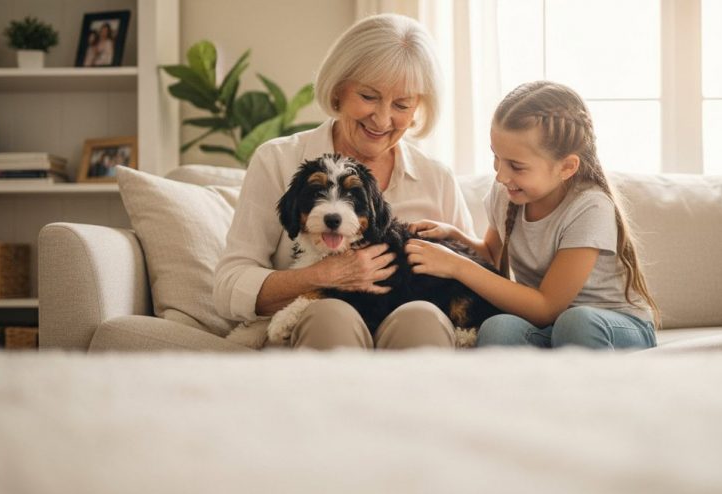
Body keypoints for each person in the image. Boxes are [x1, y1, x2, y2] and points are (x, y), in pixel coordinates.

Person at [213, 14, 475, 350]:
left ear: (417, 109)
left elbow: (470, 273)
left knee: (421, 316)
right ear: (338, 90)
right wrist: (323, 277)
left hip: (413, 325)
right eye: (368, 96)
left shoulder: (436, 178)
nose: (381, 119)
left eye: (401, 104)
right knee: (330, 314)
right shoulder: (277, 161)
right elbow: (228, 287)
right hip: (319, 325)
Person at [404, 81, 658, 350]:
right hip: (552, 326)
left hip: (615, 325)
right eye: (496, 157)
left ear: (567, 167)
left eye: (516, 165)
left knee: (577, 322)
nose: (501, 175)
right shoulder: (508, 192)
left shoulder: (590, 207)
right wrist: (453, 236)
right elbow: (492, 256)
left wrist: (457, 265)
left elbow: (546, 306)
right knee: (498, 328)